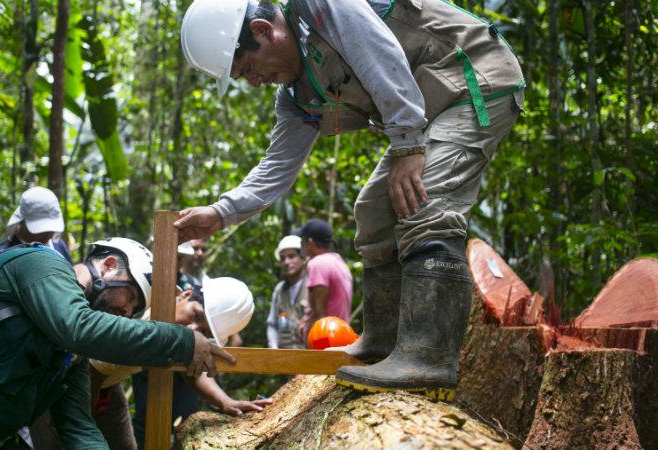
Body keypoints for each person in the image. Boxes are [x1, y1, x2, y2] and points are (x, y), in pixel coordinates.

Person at [176, 0, 524, 396]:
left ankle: (428, 358)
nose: (254, 81)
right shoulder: (297, 94)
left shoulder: (321, 6)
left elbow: (378, 51)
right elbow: (277, 166)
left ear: (261, 30)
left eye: (248, 68)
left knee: (424, 204)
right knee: (374, 210)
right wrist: (221, 213)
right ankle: (384, 344)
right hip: (429, 110)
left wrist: (407, 145)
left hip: (473, 81)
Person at [0, 237, 233, 449]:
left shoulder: (70, 355)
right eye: (129, 299)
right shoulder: (41, 266)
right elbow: (78, 326)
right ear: (109, 265)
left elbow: (78, 425)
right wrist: (182, 340)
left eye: (133, 311)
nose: (126, 312)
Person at [90, 278, 271, 449]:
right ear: (185, 295)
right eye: (197, 316)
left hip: (109, 383)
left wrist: (226, 402)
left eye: (203, 331)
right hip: (84, 376)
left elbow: (193, 370)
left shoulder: (175, 334)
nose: (193, 329)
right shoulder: (140, 319)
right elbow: (93, 371)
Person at [295, 220, 352, 339]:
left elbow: (320, 312)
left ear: (310, 242)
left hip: (325, 338)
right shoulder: (338, 261)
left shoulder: (318, 263)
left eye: (302, 241)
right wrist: (305, 320)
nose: (300, 245)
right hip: (340, 334)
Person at [0, 186, 72, 263]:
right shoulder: (5, 256)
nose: (48, 235)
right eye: (42, 230)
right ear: (23, 221)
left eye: (51, 229)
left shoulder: (59, 246)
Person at [267, 235, 308, 349]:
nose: (286, 262)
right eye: (282, 258)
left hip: (309, 355)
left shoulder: (312, 285)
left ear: (303, 258)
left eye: (291, 256)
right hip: (283, 356)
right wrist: (273, 349)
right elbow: (272, 324)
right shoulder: (279, 289)